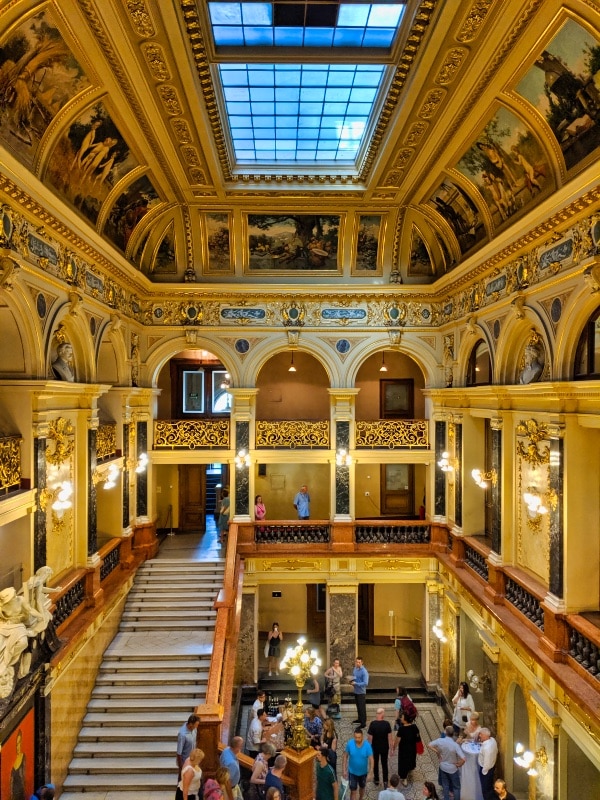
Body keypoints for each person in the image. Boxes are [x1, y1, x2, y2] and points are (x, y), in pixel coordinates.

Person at [428, 725, 466, 800]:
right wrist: (460, 764)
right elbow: (464, 758)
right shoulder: (455, 745)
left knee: (445, 786)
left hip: (443, 767)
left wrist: (438, 752)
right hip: (452, 769)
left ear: (445, 732)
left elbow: (429, 745)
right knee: (456, 788)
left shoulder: (440, 741)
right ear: (453, 733)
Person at [342, 727, 373, 800]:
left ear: (362, 736)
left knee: (362, 788)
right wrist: (344, 770)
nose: (357, 739)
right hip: (352, 772)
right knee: (353, 791)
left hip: (363, 773)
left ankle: (361, 798)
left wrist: (371, 772)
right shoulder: (350, 743)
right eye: (355, 737)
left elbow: (371, 759)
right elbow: (345, 756)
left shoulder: (367, 745)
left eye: (359, 737)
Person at [392, 712, 421, 786]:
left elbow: (397, 740)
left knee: (403, 763)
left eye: (402, 717)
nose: (401, 718)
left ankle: (404, 778)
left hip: (404, 750)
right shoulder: (414, 727)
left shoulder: (402, 729)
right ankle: (410, 769)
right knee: (411, 759)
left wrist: (394, 747)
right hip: (412, 749)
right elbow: (418, 738)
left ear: (405, 719)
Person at [367, 707, 393, 787]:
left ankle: (377, 779)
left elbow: (370, 738)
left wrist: (369, 750)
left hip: (375, 748)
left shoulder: (373, 724)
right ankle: (385, 781)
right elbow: (390, 738)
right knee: (384, 764)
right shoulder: (387, 724)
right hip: (384, 748)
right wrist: (391, 749)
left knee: (375, 763)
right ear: (382, 714)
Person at [477, 728, 498, 800]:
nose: (479, 735)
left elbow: (487, 763)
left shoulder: (487, 748)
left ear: (485, 736)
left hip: (486, 770)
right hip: (492, 767)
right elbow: (496, 751)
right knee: (490, 787)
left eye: (481, 734)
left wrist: (484, 772)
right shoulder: (492, 740)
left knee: (485, 789)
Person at [350, 656, 369, 728]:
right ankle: (359, 719)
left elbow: (365, 683)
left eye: (359, 662)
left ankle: (363, 723)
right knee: (358, 706)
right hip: (356, 691)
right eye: (356, 662)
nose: (357, 663)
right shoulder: (355, 669)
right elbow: (354, 677)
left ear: (362, 662)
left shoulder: (364, 671)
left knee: (362, 708)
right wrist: (351, 681)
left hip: (361, 692)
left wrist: (356, 684)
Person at [10, 728, 26, 800]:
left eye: (19, 743)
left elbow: (23, 774)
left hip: (20, 790)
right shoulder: (14, 762)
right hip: (14, 791)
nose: (18, 746)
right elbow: (11, 781)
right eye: (16, 744)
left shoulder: (23, 756)